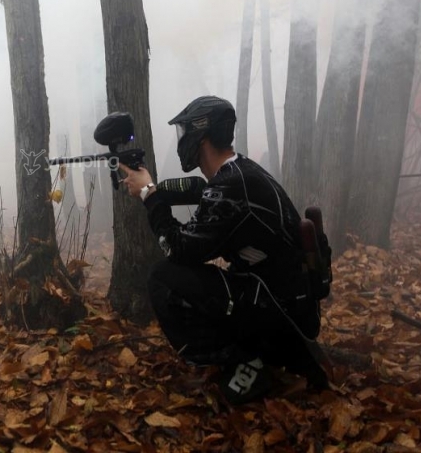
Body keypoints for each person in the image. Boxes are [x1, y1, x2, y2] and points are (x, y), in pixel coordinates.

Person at [120, 95, 328, 404]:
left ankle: (243, 362)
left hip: (278, 315)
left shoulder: (231, 187)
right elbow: (202, 194)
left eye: (184, 133)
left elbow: (178, 249)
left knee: (164, 278)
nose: (182, 142)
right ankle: (257, 352)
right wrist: (156, 189)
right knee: (205, 279)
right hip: (289, 306)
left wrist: (150, 195)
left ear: (200, 137)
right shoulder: (241, 173)